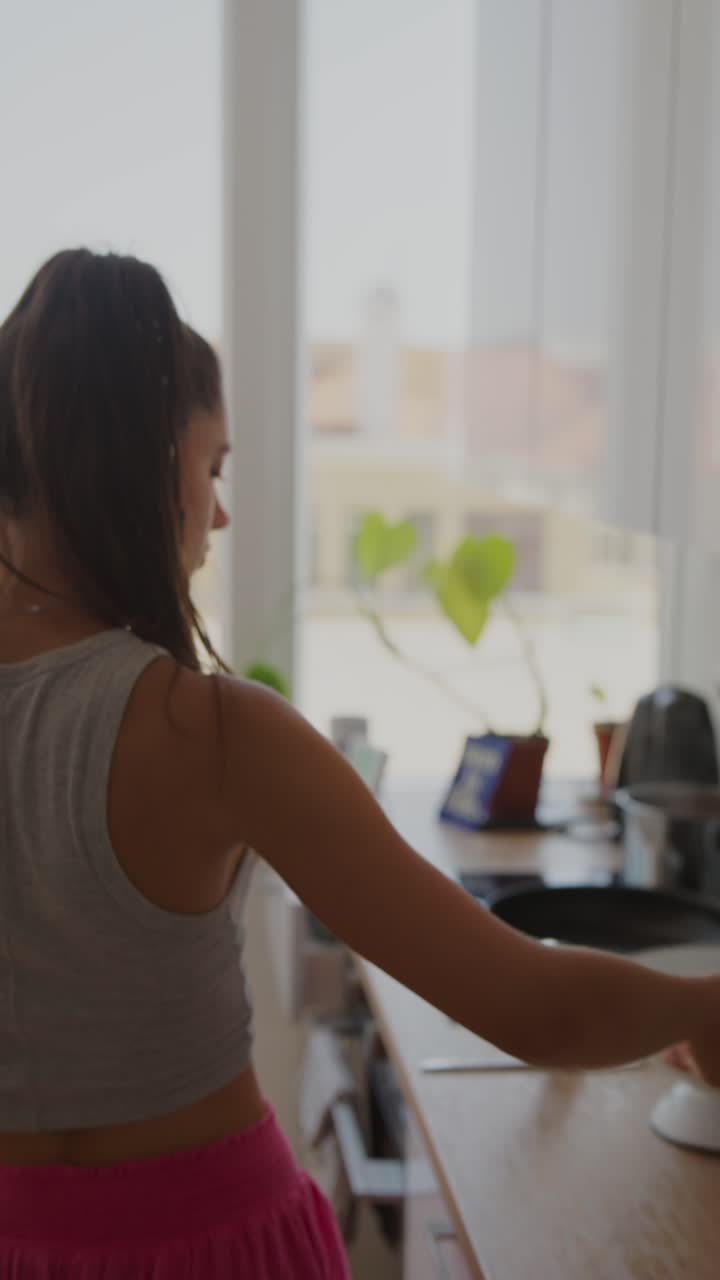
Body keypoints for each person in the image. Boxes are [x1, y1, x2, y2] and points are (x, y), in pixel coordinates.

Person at [0, 247, 717, 1278]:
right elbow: (532, 1006)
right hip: (214, 1246)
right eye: (214, 467)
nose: (220, 512)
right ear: (152, 459)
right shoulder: (213, 732)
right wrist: (706, 1005)